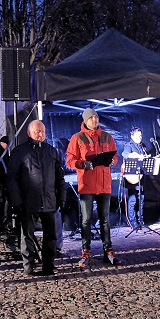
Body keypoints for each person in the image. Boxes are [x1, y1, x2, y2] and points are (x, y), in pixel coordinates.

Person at [6, 120, 66, 276]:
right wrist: (16, 200)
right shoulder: (20, 152)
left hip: (49, 200)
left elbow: (59, 177)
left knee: (51, 235)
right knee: (27, 235)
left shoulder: (51, 151)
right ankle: (28, 265)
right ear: (29, 133)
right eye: (37, 131)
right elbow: (12, 178)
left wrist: (62, 197)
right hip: (28, 201)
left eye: (43, 131)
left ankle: (48, 265)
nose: (40, 134)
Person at [66, 108, 120, 267]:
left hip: (104, 184)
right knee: (86, 220)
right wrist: (82, 164)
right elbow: (69, 160)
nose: (95, 120)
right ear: (85, 120)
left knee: (105, 220)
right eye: (91, 118)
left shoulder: (107, 136)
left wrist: (113, 161)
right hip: (87, 184)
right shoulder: (77, 138)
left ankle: (108, 251)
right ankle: (86, 250)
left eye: (96, 117)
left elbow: (115, 156)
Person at [121, 126, 149, 229]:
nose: (140, 138)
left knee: (141, 199)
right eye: (138, 136)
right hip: (132, 177)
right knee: (132, 200)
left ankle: (141, 220)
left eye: (141, 136)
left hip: (141, 176)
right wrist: (135, 155)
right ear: (132, 136)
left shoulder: (143, 146)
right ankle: (133, 222)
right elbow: (125, 154)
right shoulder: (129, 145)